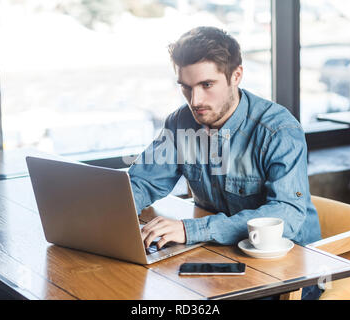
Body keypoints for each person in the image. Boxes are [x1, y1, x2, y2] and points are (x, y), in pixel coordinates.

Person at [127, 26, 322, 299]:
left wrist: (189, 229)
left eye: (206, 85)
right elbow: (143, 182)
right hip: (221, 256)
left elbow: (287, 215)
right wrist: (105, 214)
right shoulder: (181, 122)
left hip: (291, 269)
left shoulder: (278, 130)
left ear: (236, 76)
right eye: (186, 87)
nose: (195, 101)